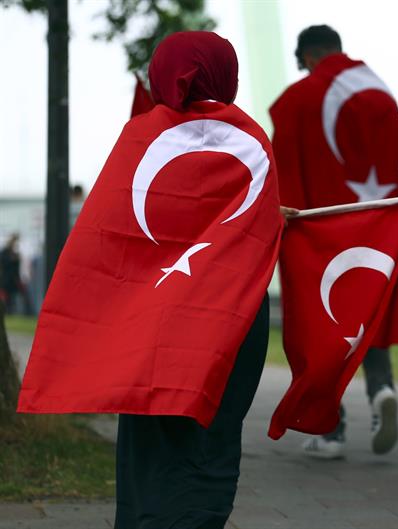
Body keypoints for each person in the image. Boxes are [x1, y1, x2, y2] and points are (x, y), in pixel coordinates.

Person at [17, 31, 283, 528]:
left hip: (154, 317)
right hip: (230, 315)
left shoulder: (143, 135)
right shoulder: (250, 136)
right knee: (212, 437)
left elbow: (112, 232)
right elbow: (247, 220)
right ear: (226, 74)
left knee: (148, 434)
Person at [270, 24, 398, 459]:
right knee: (368, 314)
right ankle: (381, 391)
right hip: (378, 228)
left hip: (323, 232)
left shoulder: (296, 101)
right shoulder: (381, 91)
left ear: (310, 57)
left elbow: (285, 178)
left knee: (324, 325)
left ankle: (330, 431)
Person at [0, 234, 23, 313]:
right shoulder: (5, 252)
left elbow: (17, 268)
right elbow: (3, 263)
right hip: (6, 279)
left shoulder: (15, 253)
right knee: (6, 297)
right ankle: (6, 311)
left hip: (13, 280)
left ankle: (10, 311)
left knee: (12, 298)